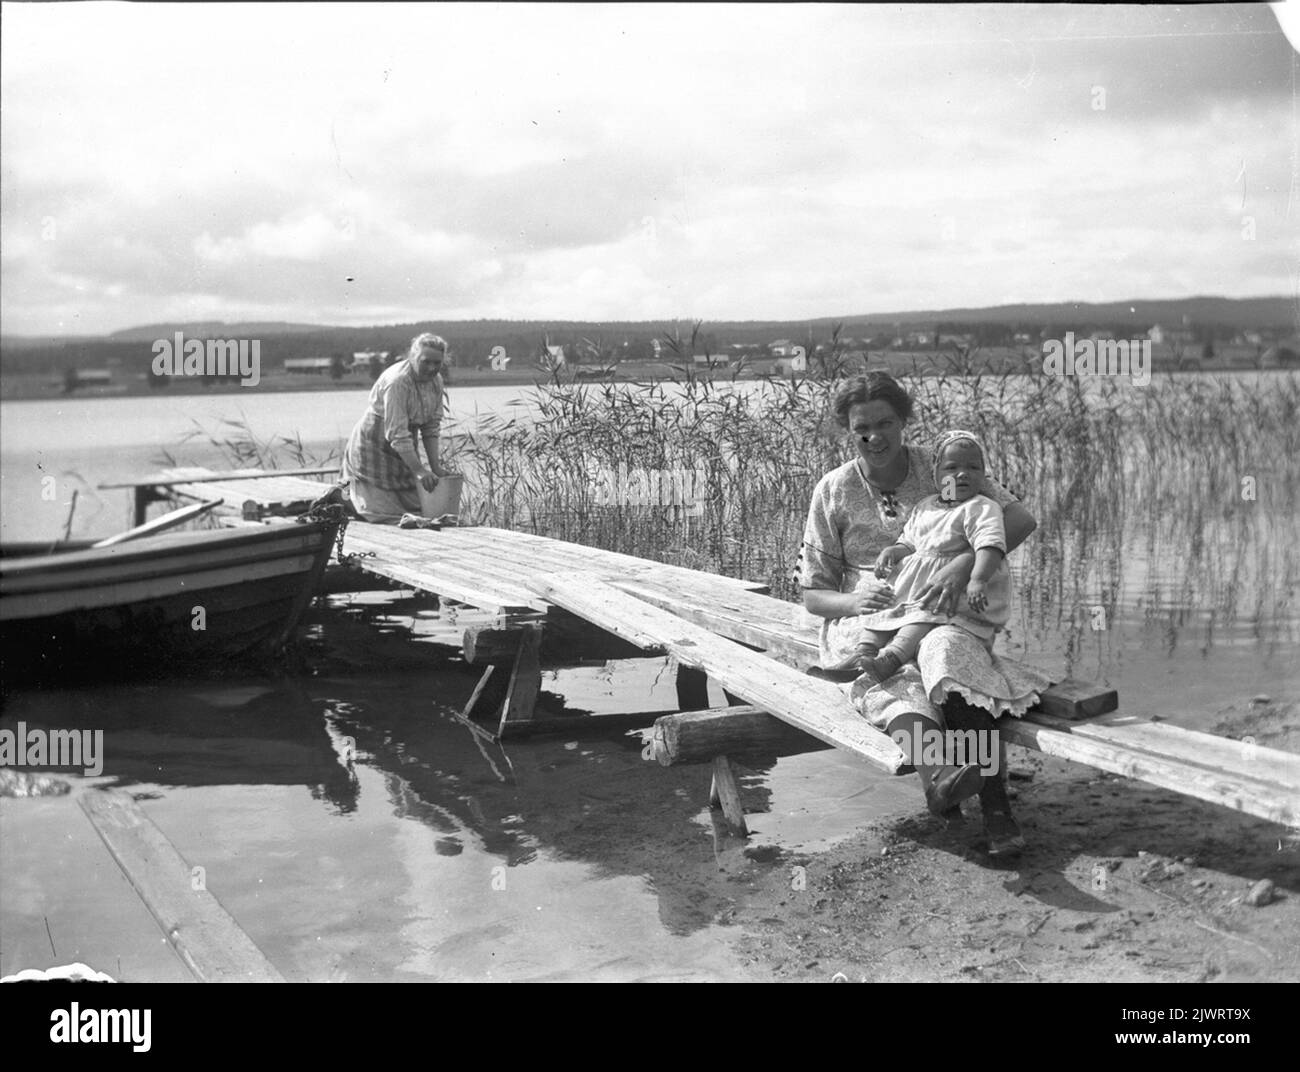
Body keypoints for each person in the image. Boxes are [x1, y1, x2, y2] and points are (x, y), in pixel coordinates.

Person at [799, 373, 1048, 856]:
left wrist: (961, 565)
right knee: (894, 681)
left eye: (886, 422)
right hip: (868, 619)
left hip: (942, 607)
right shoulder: (832, 490)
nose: (875, 437)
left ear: (905, 421)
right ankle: (941, 781)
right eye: (861, 429)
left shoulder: (942, 470)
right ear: (847, 432)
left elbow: (1019, 518)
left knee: (946, 654)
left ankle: (996, 809)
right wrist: (855, 602)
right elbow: (813, 595)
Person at [851, 430, 1011, 684]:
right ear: (935, 475)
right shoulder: (926, 506)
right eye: (951, 468)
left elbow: (990, 545)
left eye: (973, 467)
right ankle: (865, 651)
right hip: (916, 585)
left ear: (983, 475)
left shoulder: (980, 507)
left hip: (952, 593)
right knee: (884, 608)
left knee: (924, 614)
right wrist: (893, 551)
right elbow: (910, 541)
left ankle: (892, 657)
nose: (962, 473)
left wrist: (978, 579)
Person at [342, 332, 454, 524]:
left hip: (404, 445)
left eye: (437, 363)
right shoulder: (398, 382)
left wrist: (434, 467)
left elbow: (430, 427)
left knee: (418, 508)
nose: (432, 368)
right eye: (426, 361)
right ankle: (342, 498)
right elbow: (397, 434)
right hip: (374, 443)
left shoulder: (436, 381)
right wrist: (419, 470)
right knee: (381, 513)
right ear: (412, 357)